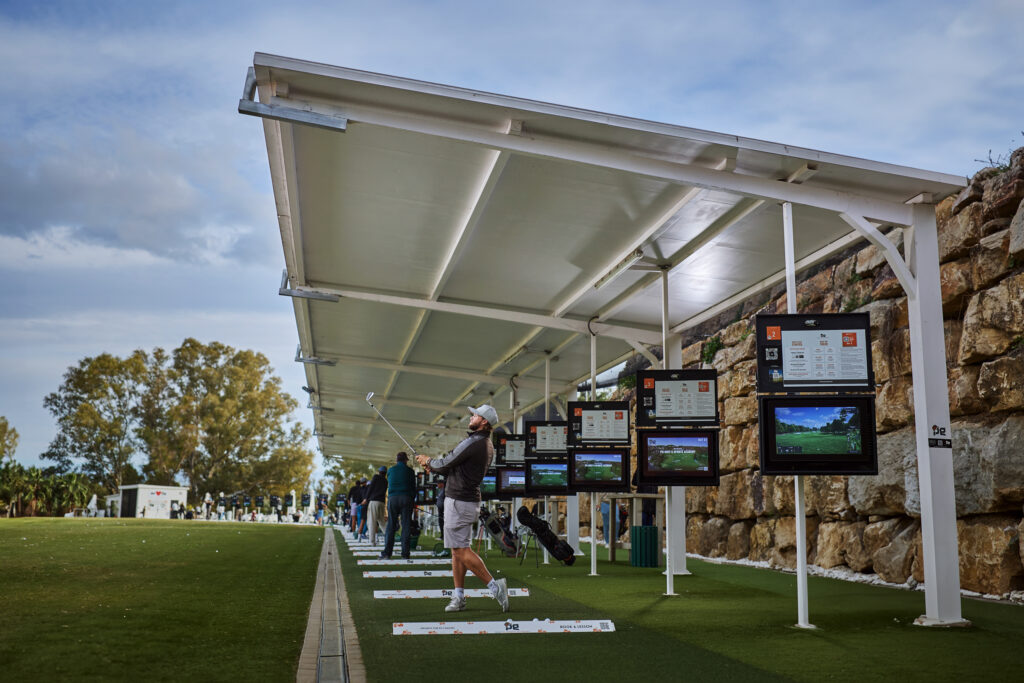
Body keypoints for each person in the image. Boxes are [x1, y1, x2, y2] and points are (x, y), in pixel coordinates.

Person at [416, 404, 509, 613]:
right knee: (457, 551)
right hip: (464, 500)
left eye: (475, 415)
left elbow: (446, 462)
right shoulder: (482, 443)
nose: (471, 416)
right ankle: (459, 597)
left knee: (460, 550)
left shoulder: (474, 442)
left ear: (484, 421)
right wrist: (434, 466)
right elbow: (454, 469)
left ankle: (496, 587)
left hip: (459, 502)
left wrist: (429, 461)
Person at [380, 452, 416, 559]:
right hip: (406, 498)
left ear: (397, 460)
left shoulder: (390, 470)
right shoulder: (410, 471)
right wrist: (411, 499)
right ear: (406, 460)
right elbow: (414, 488)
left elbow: (390, 483)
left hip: (393, 498)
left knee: (391, 525)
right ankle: (405, 554)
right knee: (405, 526)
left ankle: (387, 553)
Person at [363, 466, 388, 544]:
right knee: (382, 522)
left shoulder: (376, 477)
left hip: (374, 501)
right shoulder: (386, 481)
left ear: (379, 472)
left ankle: (372, 541)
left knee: (371, 522)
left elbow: (371, 488)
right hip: (381, 503)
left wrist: (366, 498)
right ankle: (390, 538)